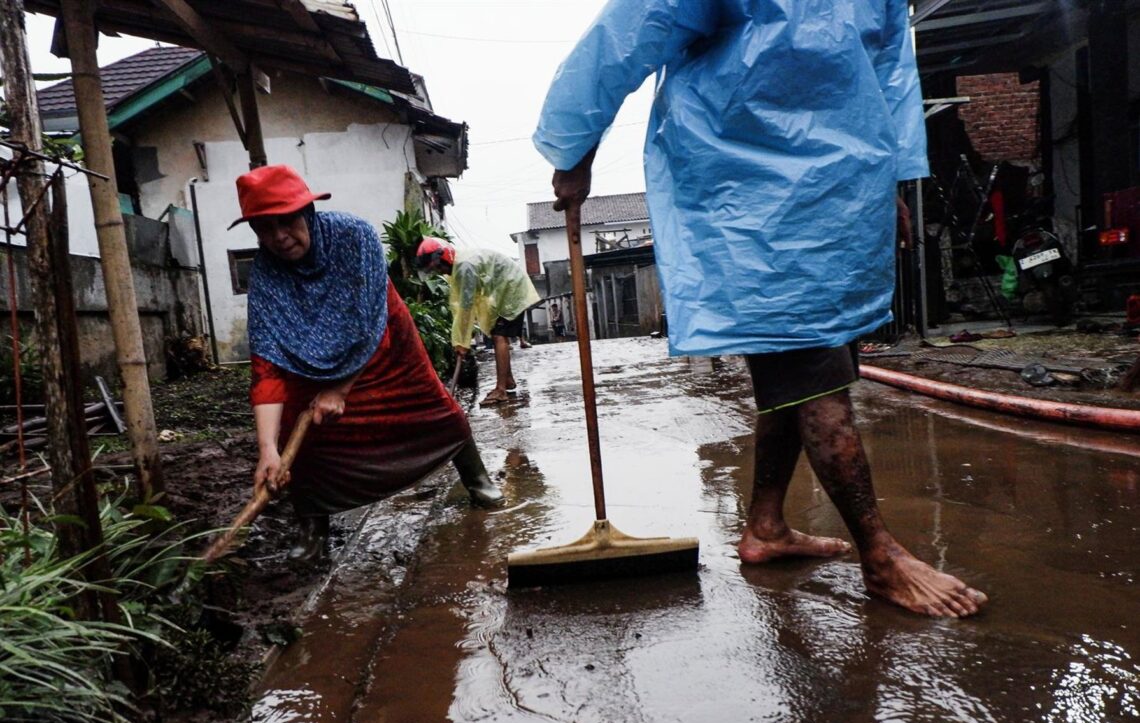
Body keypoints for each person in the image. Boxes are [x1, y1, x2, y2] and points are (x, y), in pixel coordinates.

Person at [534, 0, 987, 617]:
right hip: (747, 189)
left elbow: (891, 68)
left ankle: (766, 527)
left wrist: (893, 180)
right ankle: (879, 557)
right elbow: (629, 34)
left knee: (808, 365)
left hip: (843, 186)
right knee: (812, 370)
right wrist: (575, 147)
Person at [232, 165, 504, 562]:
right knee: (301, 431)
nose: (278, 237)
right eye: (264, 229)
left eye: (286, 222)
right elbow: (268, 366)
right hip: (309, 365)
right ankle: (312, 526)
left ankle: (478, 480)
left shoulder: (352, 235)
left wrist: (340, 390)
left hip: (383, 341)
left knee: (428, 406)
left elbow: (369, 324)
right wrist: (268, 450)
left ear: (307, 212)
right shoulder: (267, 271)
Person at [416, 238, 540, 407]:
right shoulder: (459, 264)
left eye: (438, 267)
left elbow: (466, 307)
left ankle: (501, 390)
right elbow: (461, 305)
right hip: (505, 288)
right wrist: (461, 340)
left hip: (512, 289)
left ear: (445, 258)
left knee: (499, 336)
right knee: (498, 333)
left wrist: (462, 341)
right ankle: (508, 381)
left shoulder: (465, 266)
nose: (439, 271)